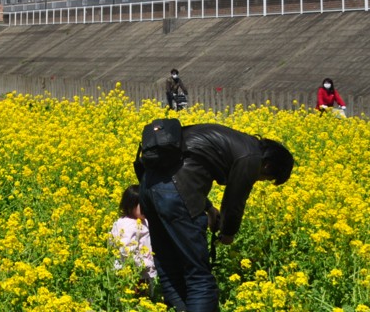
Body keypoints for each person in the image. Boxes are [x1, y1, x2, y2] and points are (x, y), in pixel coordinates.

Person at [135, 123, 294, 312]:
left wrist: (209, 209)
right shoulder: (252, 157)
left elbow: (184, 167)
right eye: (265, 178)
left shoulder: (237, 140)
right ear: (268, 165)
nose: (259, 180)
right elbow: (234, 200)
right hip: (176, 192)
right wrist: (228, 232)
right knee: (199, 278)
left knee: (169, 269)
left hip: (148, 187)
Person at [110, 185, 156, 282]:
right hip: (132, 272)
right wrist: (146, 263)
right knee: (136, 294)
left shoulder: (143, 220)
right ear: (130, 205)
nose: (146, 208)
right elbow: (126, 250)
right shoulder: (128, 225)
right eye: (142, 205)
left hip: (142, 271)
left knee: (145, 295)